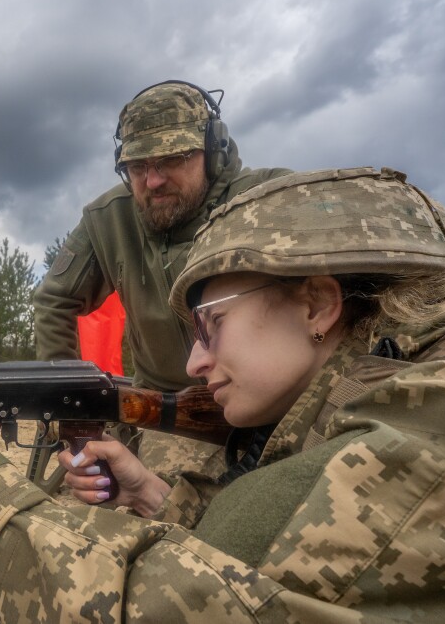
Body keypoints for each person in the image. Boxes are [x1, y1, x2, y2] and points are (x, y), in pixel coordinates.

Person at [0, 167, 445, 622]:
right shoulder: (395, 396)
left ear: (317, 303)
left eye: (212, 325)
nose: (193, 362)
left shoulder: (437, 425)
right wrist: (154, 495)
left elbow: (140, 609)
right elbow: (260, 574)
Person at [33, 80, 290, 478]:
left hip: (266, 402)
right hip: (166, 409)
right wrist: (70, 400)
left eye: (172, 159)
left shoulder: (266, 199)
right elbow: (53, 299)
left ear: (212, 150)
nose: (153, 180)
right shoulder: (108, 218)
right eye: (137, 167)